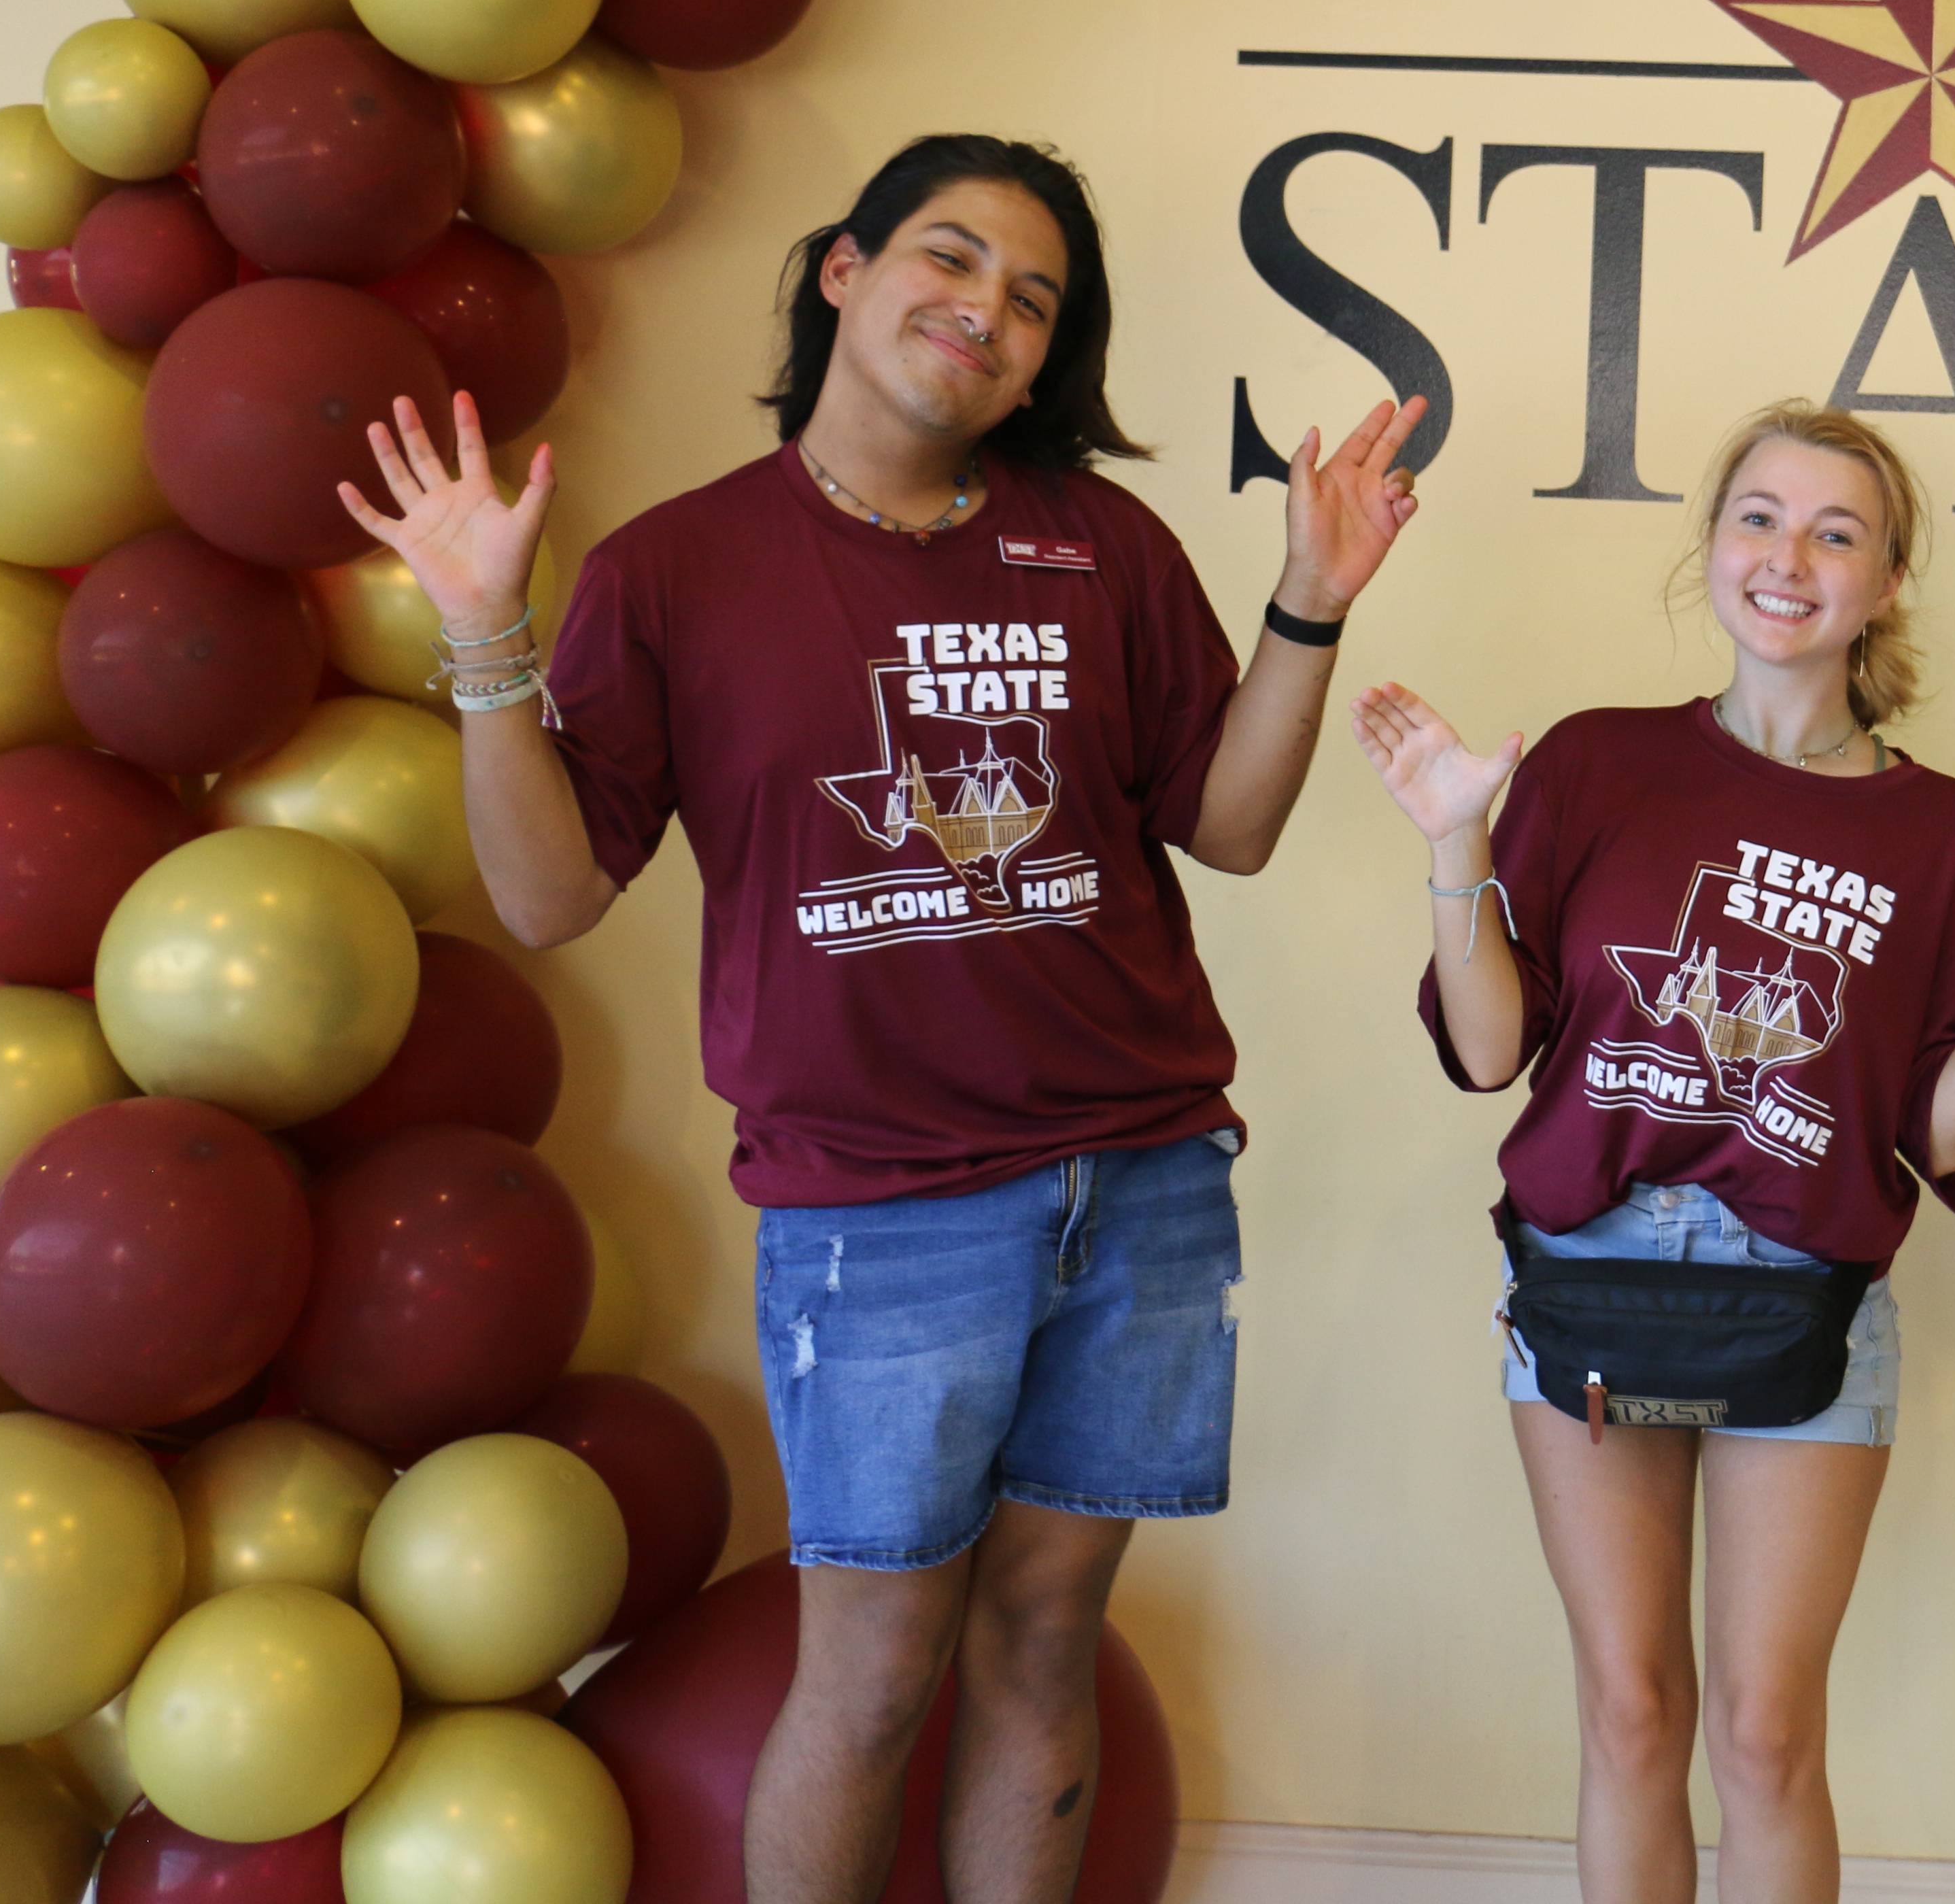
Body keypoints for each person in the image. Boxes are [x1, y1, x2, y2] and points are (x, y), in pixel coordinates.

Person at [339, 133, 1425, 1904]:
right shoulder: (678, 571)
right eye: (949, 258)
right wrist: (484, 641)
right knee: (870, 1673)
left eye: (1033, 297)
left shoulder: (1107, 546)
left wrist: (1311, 598)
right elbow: (547, 898)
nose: (985, 310)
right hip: (878, 1204)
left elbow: (1227, 827)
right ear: (843, 273)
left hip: (1143, 1179)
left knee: (1045, 1640)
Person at [1348, 401, 1955, 1904]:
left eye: (1838, 532)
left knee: (1770, 1737)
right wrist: (1458, 848)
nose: (1791, 557)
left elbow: (1942, 1143)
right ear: (1713, 550)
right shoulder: (1595, 765)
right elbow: (1482, 1048)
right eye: (1760, 519)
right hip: (1587, 1274)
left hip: (1810, 1304)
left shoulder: (1938, 830)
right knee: (1631, 1712)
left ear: (1889, 581)